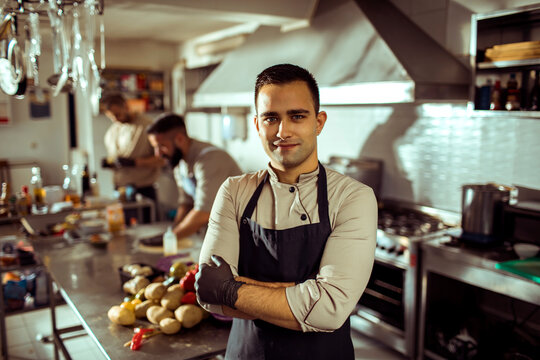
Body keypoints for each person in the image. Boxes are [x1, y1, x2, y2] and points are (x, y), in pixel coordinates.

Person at [195, 64, 377, 359]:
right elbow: (210, 294)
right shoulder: (234, 191)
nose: (283, 131)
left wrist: (233, 289)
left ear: (318, 122)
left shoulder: (353, 197)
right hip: (247, 353)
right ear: (257, 125)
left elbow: (330, 309)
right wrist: (302, 292)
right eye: (271, 118)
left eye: (297, 116)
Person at [146, 113, 242, 239]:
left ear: (179, 139)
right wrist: (172, 231)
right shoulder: (180, 163)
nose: (157, 154)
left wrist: (170, 238)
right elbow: (186, 203)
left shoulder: (210, 159)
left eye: (162, 146)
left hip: (239, 232)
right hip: (217, 231)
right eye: (155, 148)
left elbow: (204, 211)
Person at [102, 94, 165, 211]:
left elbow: (162, 159)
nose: (115, 120)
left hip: (143, 190)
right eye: (111, 117)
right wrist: (110, 163)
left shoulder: (147, 126)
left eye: (117, 114)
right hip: (119, 190)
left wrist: (134, 162)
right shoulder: (112, 131)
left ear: (126, 107)